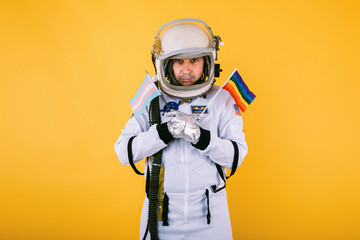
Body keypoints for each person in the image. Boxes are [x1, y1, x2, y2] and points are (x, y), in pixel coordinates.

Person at [114, 18, 248, 240]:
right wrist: (163, 133)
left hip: (211, 219)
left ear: (208, 61)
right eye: (178, 62)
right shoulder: (152, 99)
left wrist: (201, 137)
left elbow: (236, 156)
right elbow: (123, 152)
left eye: (194, 60)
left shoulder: (222, 99)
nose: (186, 69)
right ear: (165, 64)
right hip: (161, 217)